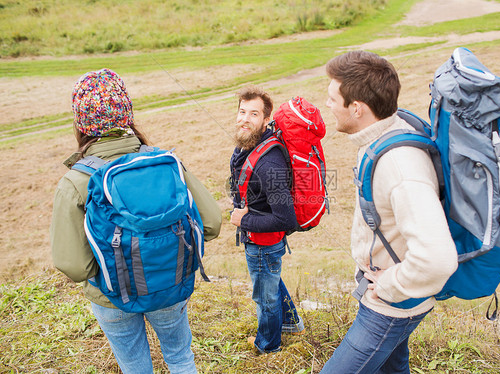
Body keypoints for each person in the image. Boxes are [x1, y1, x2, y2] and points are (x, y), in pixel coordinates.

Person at [50, 68, 222, 374]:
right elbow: (211, 224)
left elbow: (73, 264)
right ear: (127, 112)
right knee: (181, 358)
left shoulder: (76, 181)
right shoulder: (165, 161)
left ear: (81, 122)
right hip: (170, 286)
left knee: (135, 368)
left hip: (111, 298)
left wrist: (111, 271)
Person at [320, 51, 458, 373]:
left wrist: (387, 287)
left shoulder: (400, 168)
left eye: (332, 98)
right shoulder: (386, 131)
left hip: (391, 305)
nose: (327, 105)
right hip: (393, 295)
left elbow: (438, 260)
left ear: (356, 108)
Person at [229, 85, 305, 353]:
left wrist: (243, 221)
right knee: (270, 281)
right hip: (262, 242)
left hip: (263, 243)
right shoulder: (250, 147)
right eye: (242, 112)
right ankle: (291, 322)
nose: (244, 119)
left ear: (266, 120)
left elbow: (286, 219)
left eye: (253, 114)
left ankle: (268, 345)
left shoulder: (268, 162)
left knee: (265, 297)